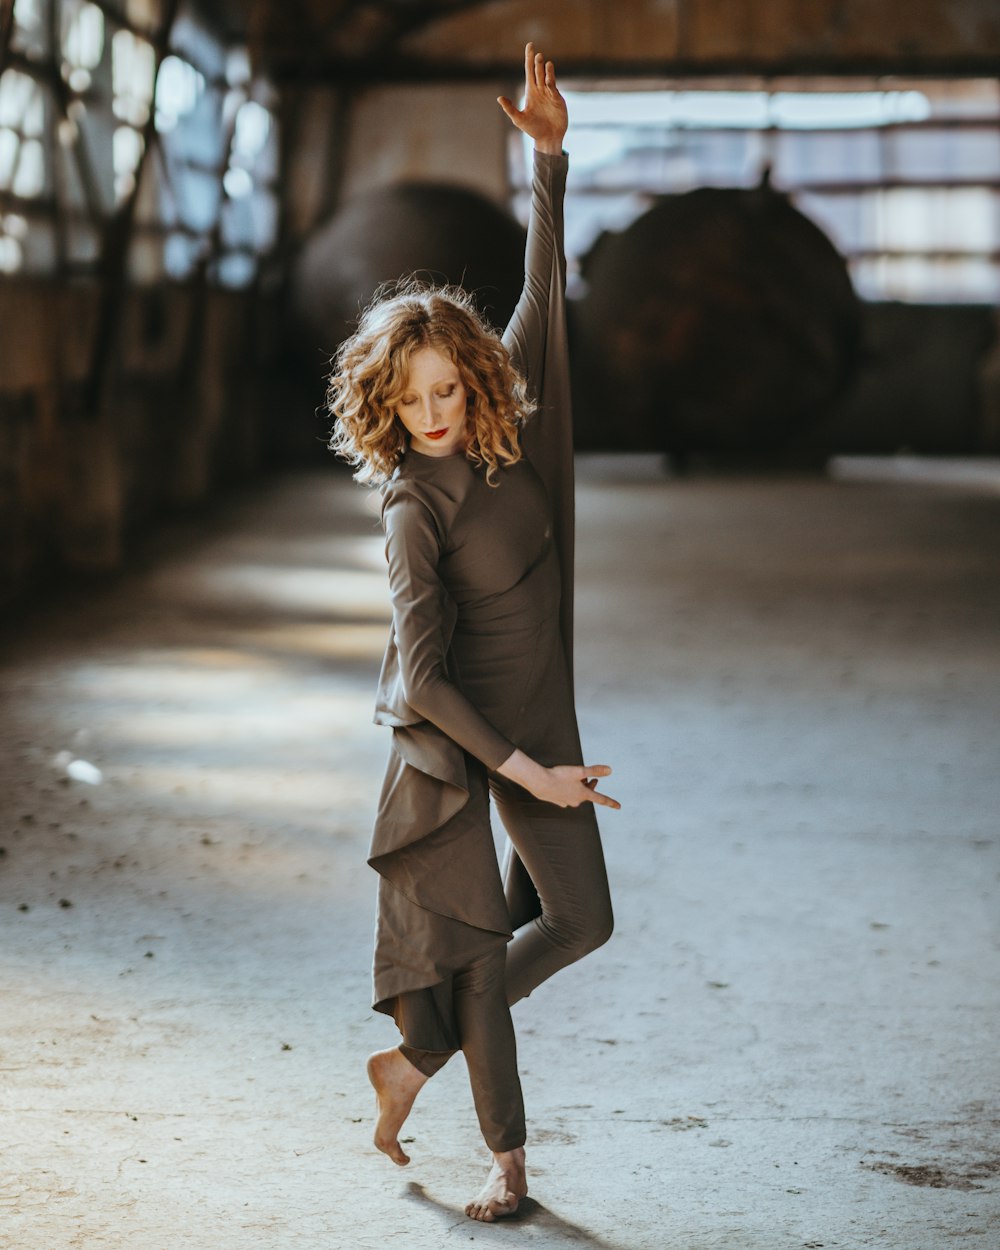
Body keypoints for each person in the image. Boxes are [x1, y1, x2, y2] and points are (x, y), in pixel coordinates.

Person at [326, 43, 619, 1223]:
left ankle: (414, 1058)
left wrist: (547, 161)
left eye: (451, 388)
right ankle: (507, 1160)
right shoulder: (412, 505)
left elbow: (542, 300)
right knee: (529, 934)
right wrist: (525, 767)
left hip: (547, 711)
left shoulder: (515, 437)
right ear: (386, 407)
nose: (439, 415)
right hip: (476, 738)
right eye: (416, 400)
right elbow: (428, 675)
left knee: (574, 921)